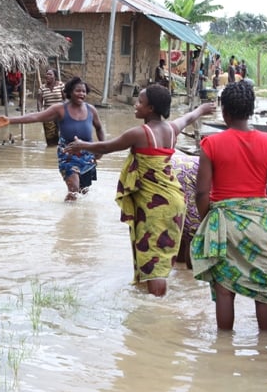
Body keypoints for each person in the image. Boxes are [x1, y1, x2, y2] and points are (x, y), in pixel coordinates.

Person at [65, 85, 216, 296]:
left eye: (140, 102)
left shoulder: (139, 133)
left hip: (156, 205)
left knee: (154, 263)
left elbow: (107, 147)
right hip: (173, 200)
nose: (135, 105)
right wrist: (202, 109)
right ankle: (153, 303)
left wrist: (82, 144)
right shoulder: (171, 129)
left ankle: (155, 314)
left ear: (150, 108)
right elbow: (189, 117)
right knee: (160, 256)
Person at [191, 80, 267, 332]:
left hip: (224, 224)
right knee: (263, 290)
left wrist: (207, 221)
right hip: (259, 223)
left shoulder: (211, 144)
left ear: (224, 112)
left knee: (224, 290)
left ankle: (223, 349)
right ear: (251, 111)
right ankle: (265, 350)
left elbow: (201, 192)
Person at [0, 76, 104, 202]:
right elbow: (36, 117)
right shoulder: (60, 109)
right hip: (68, 155)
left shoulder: (91, 110)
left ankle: (80, 219)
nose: (81, 94)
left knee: (84, 192)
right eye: (78, 91)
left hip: (87, 155)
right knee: (74, 191)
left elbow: (99, 128)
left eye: (84, 91)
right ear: (70, 92)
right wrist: (11, 120)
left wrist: (101, 149)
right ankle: (67, 219)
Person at [37, 68, 65, 147]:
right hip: (48, 115)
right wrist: (40, 113)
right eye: (47, 74)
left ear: (54, 76)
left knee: (62, 135)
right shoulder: (42, 88)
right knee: (50, 138)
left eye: (50, 74)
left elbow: (65, 98)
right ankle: (51, 151)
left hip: (60, 114)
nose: (47, 76)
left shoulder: (61, 85)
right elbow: (39, 101)